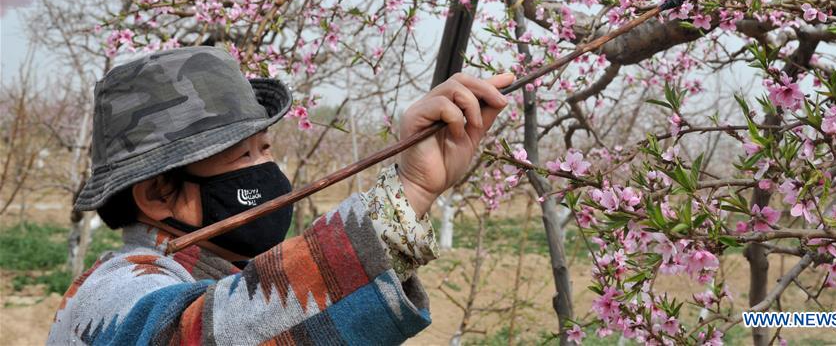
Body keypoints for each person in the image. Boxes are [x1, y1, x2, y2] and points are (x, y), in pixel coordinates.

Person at [48, 46, 512, 345]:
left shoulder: (219, 273)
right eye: (240, 158)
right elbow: (197, 334)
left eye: (265, 148)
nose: (267, 170)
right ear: (156, 195)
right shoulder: (113, 293)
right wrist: (406, 193)